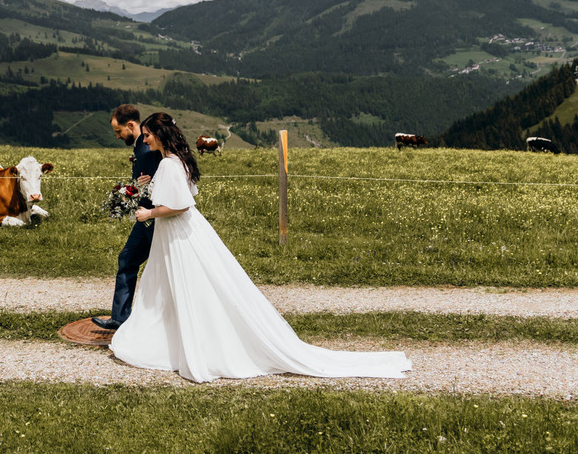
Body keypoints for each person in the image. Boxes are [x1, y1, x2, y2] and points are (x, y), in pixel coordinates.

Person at [109, 112, 412, 382]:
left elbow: (180, 206)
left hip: (176, 232)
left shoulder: (169, 164)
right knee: (174, 287)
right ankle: (175, 337)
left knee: (182, 286)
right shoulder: (176, 161)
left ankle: (183, 342)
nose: (144, 139)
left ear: (159, 135)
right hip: (179, 234)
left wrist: (149, 212)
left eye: (148, 135)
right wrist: (146, 187)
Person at [91, 105, 162, 330]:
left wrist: (145, 188)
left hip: (156, 217)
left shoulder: (150, 146)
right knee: (127, 260)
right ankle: (120, 317)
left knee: (163, 268)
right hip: (144, 217)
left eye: (118, 130)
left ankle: (162, 321)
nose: (117, 136)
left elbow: (167, 171)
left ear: (131, 125)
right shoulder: (141, 146)